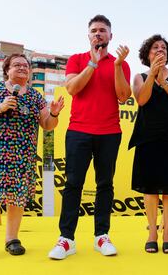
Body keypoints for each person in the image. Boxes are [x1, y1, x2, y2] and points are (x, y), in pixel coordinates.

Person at [48, 14, 131, 260]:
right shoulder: (77, 59)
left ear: (110, 36)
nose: (98, 34)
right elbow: (72, 88)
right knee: (73, 184)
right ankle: (66, 240)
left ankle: (101, 236)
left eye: (102, 30)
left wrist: (115, 66)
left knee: (105, 185)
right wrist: (93, 64)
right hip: (78, 132)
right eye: (94, 30)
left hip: (109, 133)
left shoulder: (121, 63)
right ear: (88, 35)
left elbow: (124, 96)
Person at [0, 53, 64, 262]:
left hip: (21, 154)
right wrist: (0, 106)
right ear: (7, 70)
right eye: (17, 65)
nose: (22, 68)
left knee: (17, 196)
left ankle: (12, 239)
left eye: (25, 65)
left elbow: (47, 125)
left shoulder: (36, 96)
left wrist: (54, 114)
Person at [128, 34, 168, 254]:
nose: (160, 50)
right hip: (148, 138)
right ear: (147, 53)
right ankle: (152, 233)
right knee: (151, 189)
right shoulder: (139, 77)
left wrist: (163, 81)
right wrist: (153, 75)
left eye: (163, 47)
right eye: (155, 47)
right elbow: (142, 99)